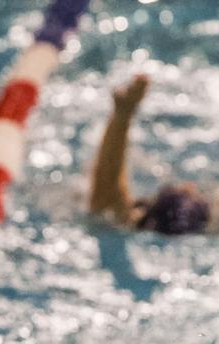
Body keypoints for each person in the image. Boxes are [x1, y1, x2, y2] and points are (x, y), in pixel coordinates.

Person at [89, 73, 212, 236]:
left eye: (186, 190)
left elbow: (107, 180)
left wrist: (123, 115)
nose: (190, 185)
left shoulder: (120, 218)